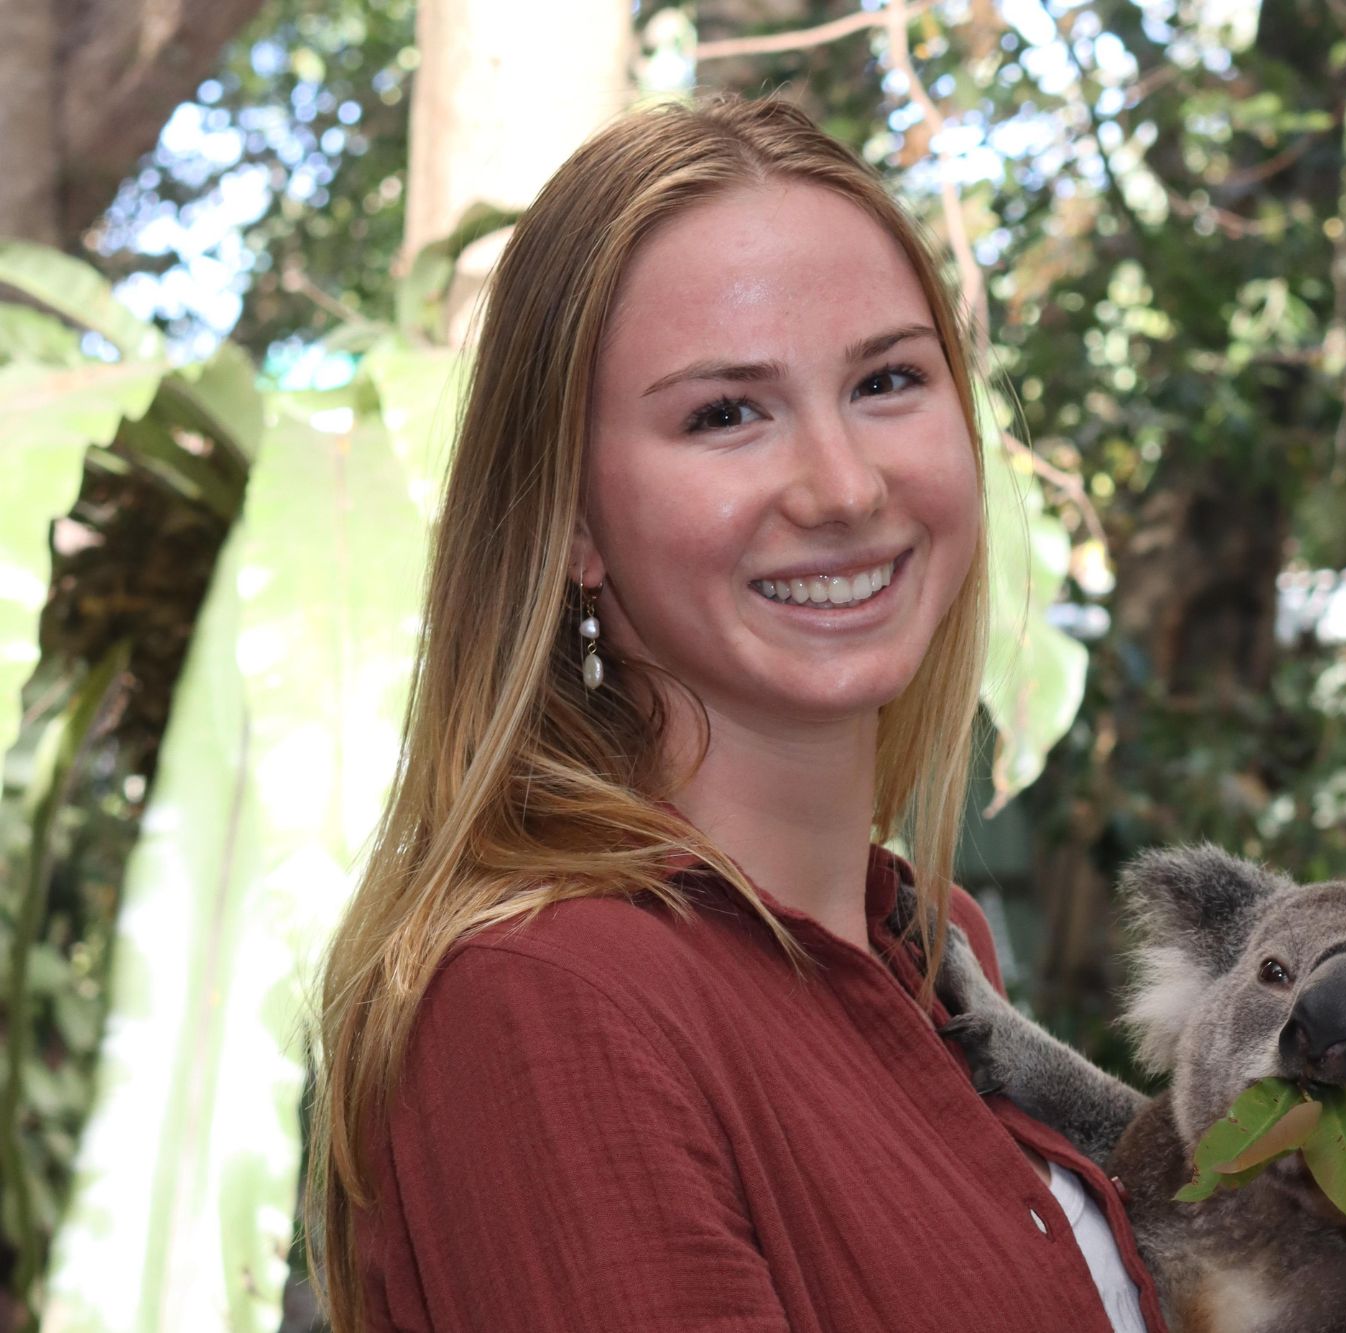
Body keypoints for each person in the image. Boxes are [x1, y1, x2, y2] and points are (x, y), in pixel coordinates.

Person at [308, 94, 1165, 1332]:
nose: (842, 484)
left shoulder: (927, 951)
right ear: (573, 523)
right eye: (725, 413)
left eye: (885, 380)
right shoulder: (551, 1001)